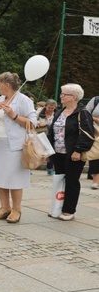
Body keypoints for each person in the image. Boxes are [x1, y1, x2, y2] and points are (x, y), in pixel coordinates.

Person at [0, 72, 37, 224]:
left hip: (15, 145)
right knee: (0, 177)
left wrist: (14, 115)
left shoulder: (23, 100)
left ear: (7, 85)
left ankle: (16, 209)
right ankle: (4, 207)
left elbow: (33, 123)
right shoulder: (0, 99)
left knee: (14, 178)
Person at [47, 84, 95, 221]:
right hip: (58, 152)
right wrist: (49, 152)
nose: (61, 96)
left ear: (74, 97)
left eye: (64, 94)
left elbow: (87, 134)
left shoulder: (83, 113)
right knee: (59, 180)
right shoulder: (59, 112)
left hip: (73, 154)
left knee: (72, 181)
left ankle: (69, 210)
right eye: (61, 93)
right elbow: (52, 133)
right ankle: (57, 207)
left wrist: (78, 150)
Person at [36, 99, 57, 175]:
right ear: (45, 106)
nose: (50, 109)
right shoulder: (39, 112)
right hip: (40, 133)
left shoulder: (57, 113)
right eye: (49, 108)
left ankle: (50, 168)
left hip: (51, 134)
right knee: (37, 151)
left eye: (52, 108)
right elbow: (32, 120)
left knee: (51, 151)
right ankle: (31, 167)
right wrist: (39, 124)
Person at [83, 95, 99, 186]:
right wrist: (95, 119)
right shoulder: (96, 100)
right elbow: (85, 113)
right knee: (96, 156)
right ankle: (95, 180)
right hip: (95, 132)